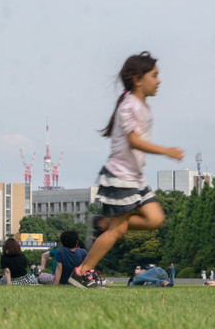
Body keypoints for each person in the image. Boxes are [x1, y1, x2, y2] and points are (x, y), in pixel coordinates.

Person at [70, 52, 184, 288]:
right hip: (120, 177)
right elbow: (133, 140)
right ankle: (81, 271)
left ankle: (102, 224)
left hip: (136, 178)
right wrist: (165, 151)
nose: (159, 81)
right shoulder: (129, 106)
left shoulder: (142, 105)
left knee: (155, 219)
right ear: (137, 79)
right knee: (118, 230)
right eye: (154, 75)